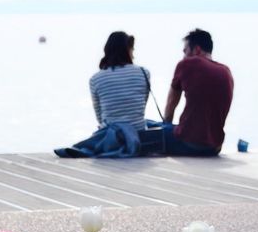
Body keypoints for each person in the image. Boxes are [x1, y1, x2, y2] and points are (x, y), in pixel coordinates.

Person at [161, 28, 234, 156]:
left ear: (197, 50)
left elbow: (171, 105)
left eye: (185, 51)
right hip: (214, 147)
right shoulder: (226, 71)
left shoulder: (187, 64)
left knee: (145, 125)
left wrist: (166, 125)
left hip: (188, 143)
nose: (183, 56)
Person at [89, 31, 150, 131]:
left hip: (112, 137)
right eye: (132, 50)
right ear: (128, 50)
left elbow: (100, 118)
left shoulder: (95, 79)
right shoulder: (144, 73)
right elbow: (141, 107)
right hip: (140, 133)